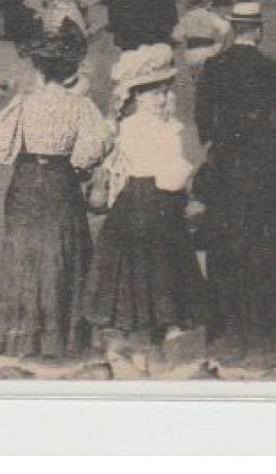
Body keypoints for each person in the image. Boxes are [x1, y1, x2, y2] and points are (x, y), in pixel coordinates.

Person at [195, 2, 276, 365]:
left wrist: (219, 152)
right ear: (258, 30)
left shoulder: (213, 66)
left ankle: (231, 334)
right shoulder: (267, 69)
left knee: (229, 247)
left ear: (235, 29)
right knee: (275, 248)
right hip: (263, 171)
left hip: (226, 172)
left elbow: (203, 123)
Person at [0, 11, 111, 360]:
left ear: (38, 67)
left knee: (22, 252)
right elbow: (93, 149)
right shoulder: (81, 106)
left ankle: (18, 336)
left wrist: (21, 151)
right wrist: (77, 163)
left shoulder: (24, 103)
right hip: (59, 181)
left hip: (24, 180)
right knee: (60, 252)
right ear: (71, 69)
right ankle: (59, 339)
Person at [84, 45, 209, 376]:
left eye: (164, 89)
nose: (161, 97)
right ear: (135, 95)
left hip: (133, 205)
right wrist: (191, 171)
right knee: (156, 278)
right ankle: (148, 351)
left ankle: (125, 346)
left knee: (133, 280)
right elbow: (170, 178)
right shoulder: (158, 129)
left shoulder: (132, 125)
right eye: (152, 91)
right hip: (154, 205)